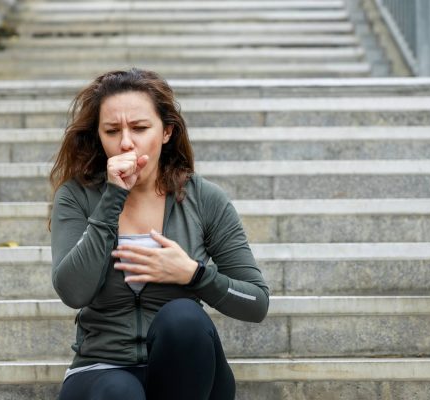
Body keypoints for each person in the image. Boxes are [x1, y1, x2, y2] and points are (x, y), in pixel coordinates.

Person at [49, 68, 270, 400]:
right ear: (98, 135)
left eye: (139, 128)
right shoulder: (77, 197)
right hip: (101, 370)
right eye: (112, 130)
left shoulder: (203, 199)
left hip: (187, 376)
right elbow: (72, 291)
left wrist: (192, 275)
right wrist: (112, 198)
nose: (125, 142)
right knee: (118, 392)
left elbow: (256, 303)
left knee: (184, 318)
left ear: (166, 132)